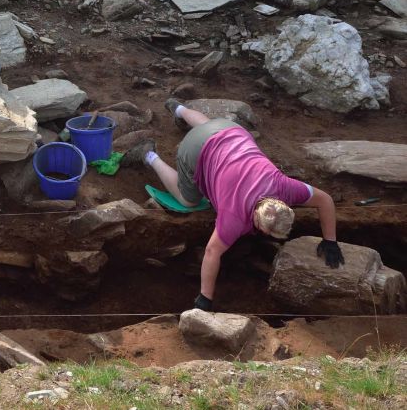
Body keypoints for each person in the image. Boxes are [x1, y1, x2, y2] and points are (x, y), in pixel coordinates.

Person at [127, 99, 344, 311]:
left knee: (208, 128)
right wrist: (205, 298)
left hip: (230, 130)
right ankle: (149, 155)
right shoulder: (234, 217)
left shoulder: (285, 187)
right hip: (194, 150)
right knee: (188, 199)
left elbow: (325, 200)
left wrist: (330, 240)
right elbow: (212, 252)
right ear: (259, 225)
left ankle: (180, 109)